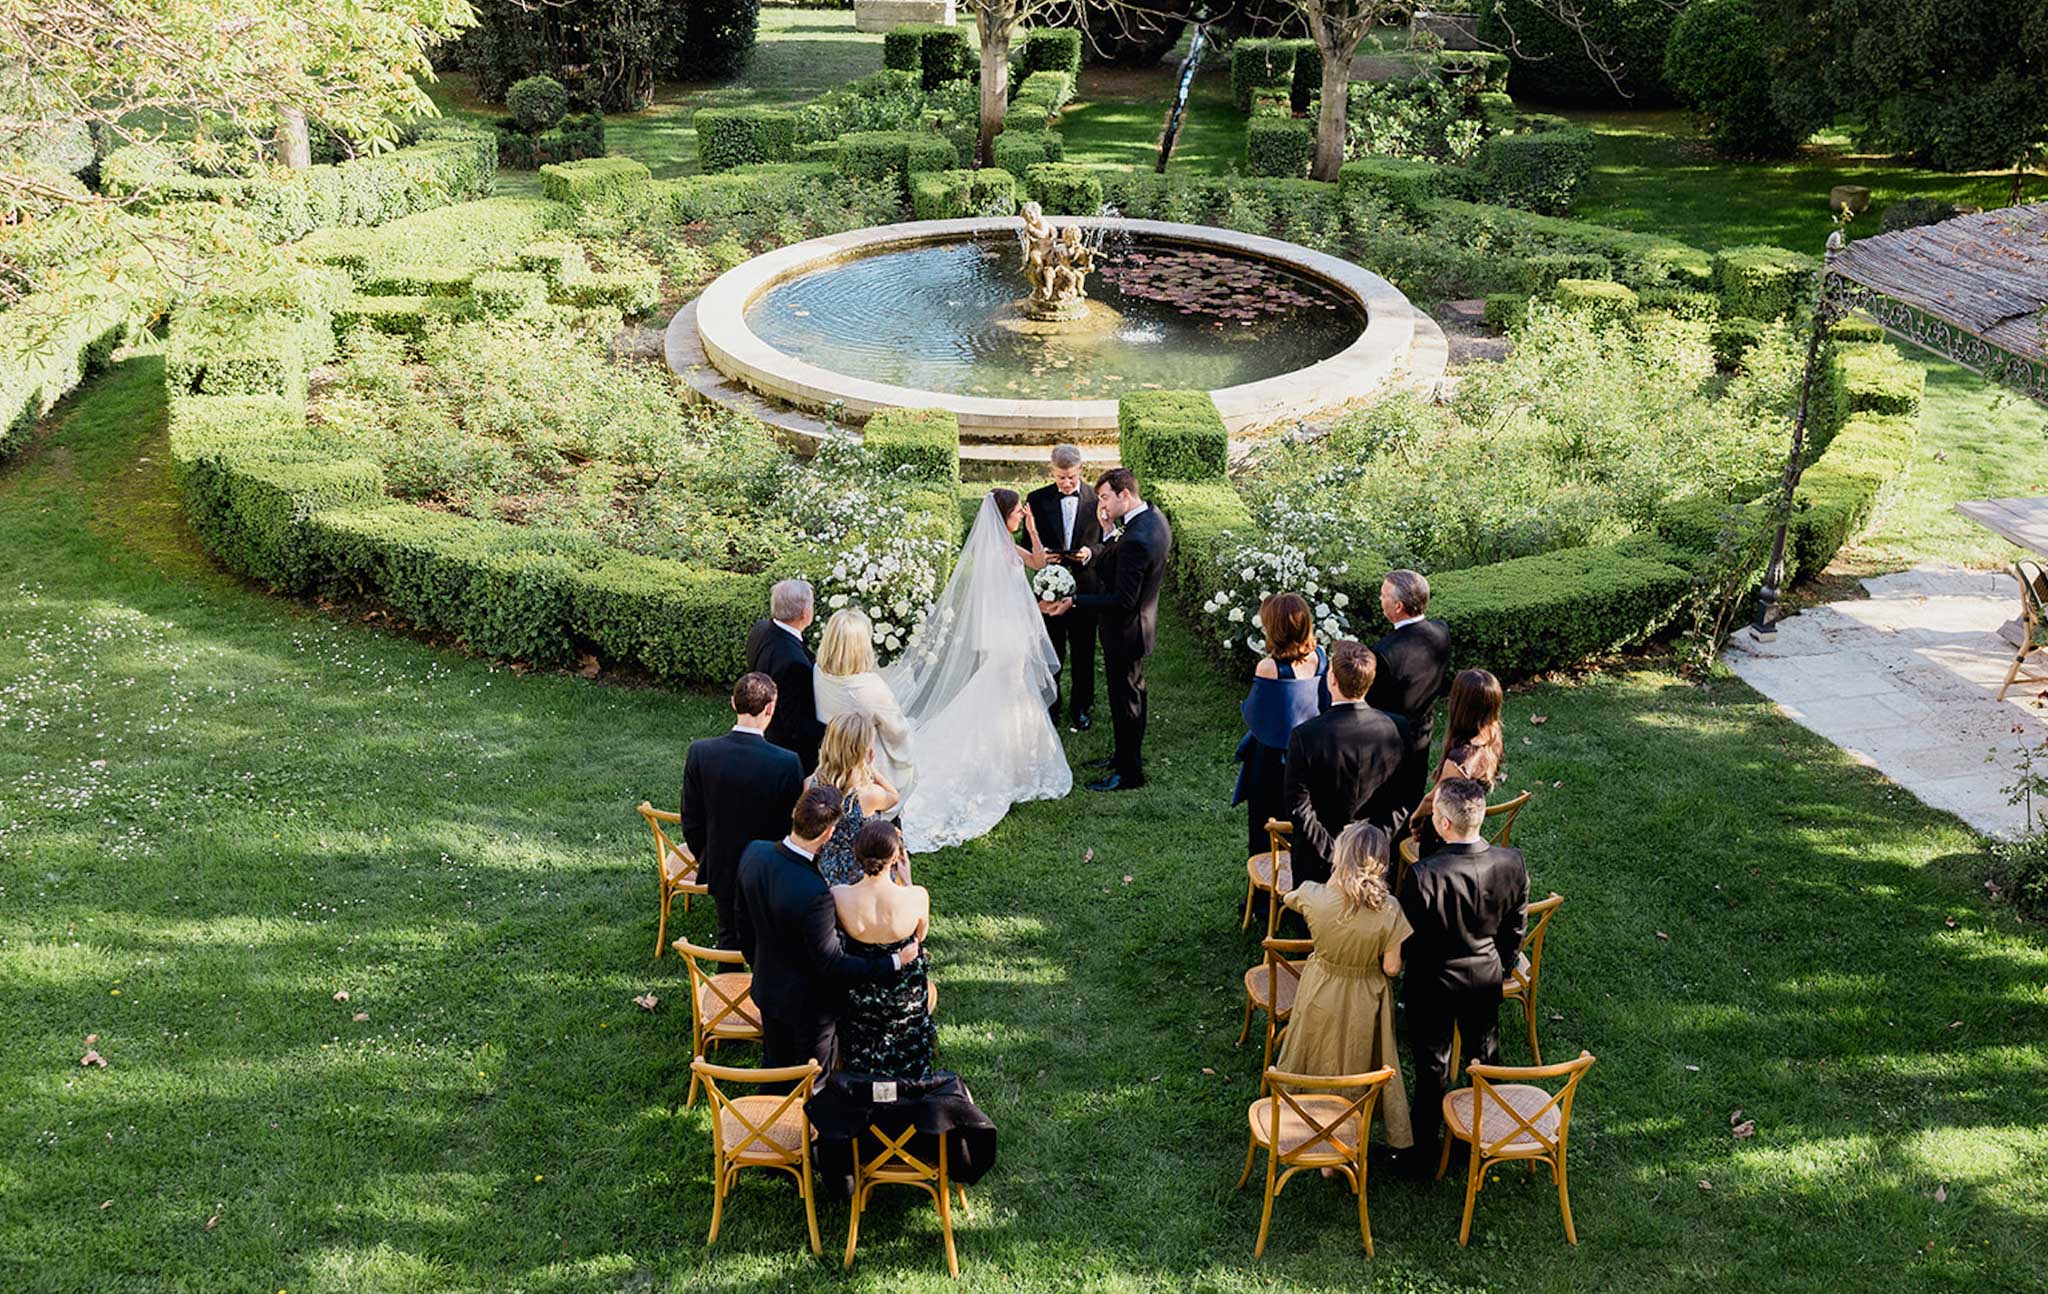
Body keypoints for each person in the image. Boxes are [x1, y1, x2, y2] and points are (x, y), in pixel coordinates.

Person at [870, 489, 1074, 852]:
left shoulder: (1008, 545)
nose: (1021, 514)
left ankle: (1017, 763)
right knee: (1006, 695)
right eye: (1017, 512)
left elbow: (1040, 563)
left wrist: (1033, 527)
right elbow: (998, 600)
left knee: (1012, 696)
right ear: (1003, 515)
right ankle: (1003, 765)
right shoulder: (993, 552)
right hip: (1005, 637)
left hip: (1012, 635)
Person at [736, 784, 920, 1078]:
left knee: (774, 1066)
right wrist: (895, 961)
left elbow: (742, 924)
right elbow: (833, 963)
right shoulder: (816, 894)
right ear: (828, 834)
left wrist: (759, 964)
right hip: (810, 1010)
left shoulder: (753, 853)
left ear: (796, 813)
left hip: (767, 989)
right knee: (815, 1083)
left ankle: (767, 1112)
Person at [1399, 777, 1529, 1173]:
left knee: (1432, 1068)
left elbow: (1408, 941)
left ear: (1442, 823)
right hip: (1485, 976)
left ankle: (1424, 1157)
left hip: (1432, 982)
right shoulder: (1512, 863)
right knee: (1483, 1057)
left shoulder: (1424, 875)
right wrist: (1501, 964)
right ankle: (1484, 1138)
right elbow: (1515, 929)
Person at [1275, 822, 1414, 1157]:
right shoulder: (1390, 909)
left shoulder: (1313, 895)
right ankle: (1344, 1132)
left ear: (1339, 858)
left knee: (1315, 1050)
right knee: (1355, 1060)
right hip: (1366, 995)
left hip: (1321, 985)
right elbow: (1392, 968)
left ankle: (1308, 1123)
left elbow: (1288, 897)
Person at [1045, 468, 1170, 792]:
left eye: (1104, 497)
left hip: (1126, 632)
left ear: (1124, 495)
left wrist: (1073, 601)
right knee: (1132, 696)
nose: (1100, 503)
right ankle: (1123, 756)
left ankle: (1129, 774)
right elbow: (1116, 564)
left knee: (1126, 702)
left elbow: (1122, 599)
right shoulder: (1153, 518)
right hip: (1140, 628)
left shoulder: (1137, 540)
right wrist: (1107, 532)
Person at [680, 672, 804, 953]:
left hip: (721, 863)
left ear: (733, 703)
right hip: (769, 870)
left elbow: (691, 818)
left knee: (728, 937)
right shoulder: (786, 763)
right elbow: (792, 825)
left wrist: (707, 855)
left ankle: (725, 991)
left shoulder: (701, 752)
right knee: (769, 940)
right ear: (770, 708)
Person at [1283, 641, 1407, 888]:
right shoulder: (1399, 727)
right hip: (1376, 861)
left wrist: (1334, 854)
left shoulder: (1305, 735)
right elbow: (1402, 800)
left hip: (1319, 864)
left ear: (1332, 680)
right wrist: (1371, 849)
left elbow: (1298, 807)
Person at [829, 820, 936, 1079]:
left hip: (858, 994)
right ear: (897, 857)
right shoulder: (916, 896)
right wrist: (907, 883)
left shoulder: (838, 895)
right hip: (904, 1000)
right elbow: (920, 936)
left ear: (857, 855)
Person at [1232, 593, 1330, 859]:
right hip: (1312, 752)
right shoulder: (1321, 657)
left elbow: (1254, 713)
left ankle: (1266, 890)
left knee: (1264, 821)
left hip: (1274, 757)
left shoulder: (1269, 668)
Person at [1026, 444, 1103, 732]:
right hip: (1049, 589)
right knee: (1051, 650)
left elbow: (1110, 542)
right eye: (1060, 477)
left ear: (1080, 469)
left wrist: (1090, 552)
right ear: (1052, 471)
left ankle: (1081, 706)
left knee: (1084, 651)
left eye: (1070, 477)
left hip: (1085, 588)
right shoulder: (1037, 499)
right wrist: (1045, 554)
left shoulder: (1098, 499)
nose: (1066, 482)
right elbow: (1027, 542)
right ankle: (1051, 705)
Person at [1365, 568, 1452, 822]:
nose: (1379, 600)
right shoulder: (1441, 632)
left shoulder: (1384, 653)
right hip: (1422, 733)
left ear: (1398, 606)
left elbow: (1372, 702)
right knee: (1411, 798)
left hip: (1388, 742)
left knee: (1384, 810)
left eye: (1383, 596)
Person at [813, 608, 918, 808]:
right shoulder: (870, 687)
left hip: (831, 754)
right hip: (864, 762)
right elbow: (897, 732)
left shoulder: (818, 671)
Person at [1409, 669, 1506, 857]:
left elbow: (1433, 800)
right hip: (1467, 819)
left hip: (1446, 836)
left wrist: (1414, 819)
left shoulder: (1460, 760)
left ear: (1461, 706)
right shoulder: (1493, 734)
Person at [810, 712, 903, 888]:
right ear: (864, 752)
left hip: (826, 865)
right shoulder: (867, 795)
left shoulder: (814, 782)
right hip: (859, 873)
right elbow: (894, 797)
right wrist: (871, 769)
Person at [746, 578, 826, 773]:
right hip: (787, 755)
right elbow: (798, 728)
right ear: (804, 613)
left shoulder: (761, 629)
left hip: (763, 731)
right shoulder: (794, 664)